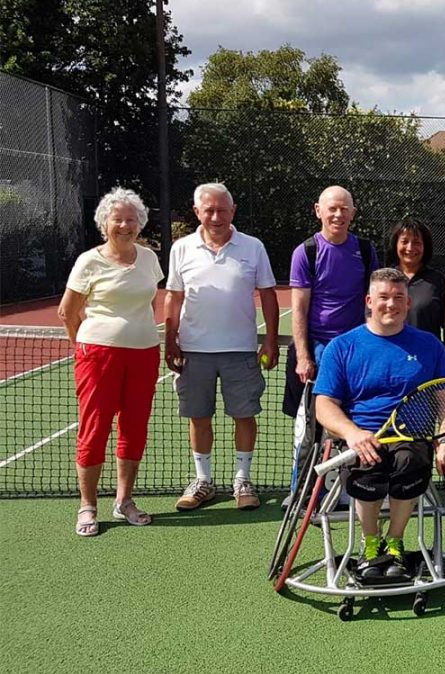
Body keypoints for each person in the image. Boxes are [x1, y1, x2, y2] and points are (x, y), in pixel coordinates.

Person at [314, 268, 445, 580]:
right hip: (361, 438)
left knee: (408, 462)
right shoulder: (341, 347)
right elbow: (324, 405)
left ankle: (395, 543)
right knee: (368, 467)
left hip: (412, 437)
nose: (391, 304)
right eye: (383, 297)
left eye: (398, 297)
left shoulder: (430, 345)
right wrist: (352, 433)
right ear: (369, 301)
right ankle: (371, 545)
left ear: (408, 303)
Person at [164, 182, 279, 511]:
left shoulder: (253, 247)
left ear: (233, 211)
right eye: (209, 210)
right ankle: (203, 481)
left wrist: (271, 339)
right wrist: (171, 340)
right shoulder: (181, 248)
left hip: (240, 350)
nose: (216, 217)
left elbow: (267, 294)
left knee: (244, 415)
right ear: (197, 212)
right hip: (193, 351)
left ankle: (242, 479)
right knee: (198, 417)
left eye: (222, 210)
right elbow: (174, 296)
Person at [58, 187, 163, 536]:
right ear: (104, 223)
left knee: (135, 428)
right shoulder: (89, 261)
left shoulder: (148, 258)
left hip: (145, 354)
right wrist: (84, 347)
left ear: (140, 223)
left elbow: (149, 302)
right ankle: (88, 506)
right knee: (95, 428)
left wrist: (138, 330)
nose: (125, 225)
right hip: (98, 356)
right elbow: (67, 312)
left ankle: (124, 501)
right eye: (117, 219)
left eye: (131, 219)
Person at [283, 185, 378, 418]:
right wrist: (303, 357)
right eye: (332, 208)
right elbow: (299, 308)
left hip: (356, 348)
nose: (338, 215)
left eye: (344, 209)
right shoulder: (306, 252)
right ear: (318, 210)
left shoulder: (365, 250)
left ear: (352, 213)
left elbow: (372, 302)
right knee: (315, 416)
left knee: (353, 414)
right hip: (319, 348)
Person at [387, 220, 445, 341]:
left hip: (426, 350)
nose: (410, 248)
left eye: (416, 243)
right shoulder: (385, 279)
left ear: (425, 246)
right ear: (395, 244)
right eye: (404, 242)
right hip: (391, 349)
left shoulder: (437, 281)